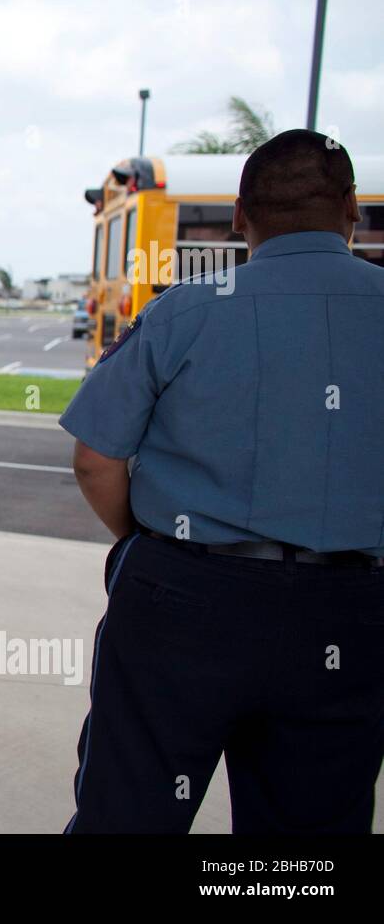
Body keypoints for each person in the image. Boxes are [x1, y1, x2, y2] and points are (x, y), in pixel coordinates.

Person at [58, 129, 384, 833]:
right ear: (353, 209)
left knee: (128, 813)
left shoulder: (188, 308)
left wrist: (144, 543)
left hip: (185, 596)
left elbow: (94, 458)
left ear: (240, 215)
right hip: (353, 609)